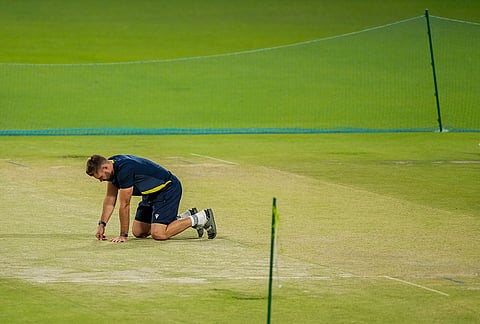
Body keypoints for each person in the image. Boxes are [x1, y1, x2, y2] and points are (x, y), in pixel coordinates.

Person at [85, 154, 216, 243]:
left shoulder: (124, 170)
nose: (101, 181)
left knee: (159, 234)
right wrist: (102, 224)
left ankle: (202, 217)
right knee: (138, 232)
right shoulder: (112, 166)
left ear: (105, 168)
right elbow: (110, 199)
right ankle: (185, 217)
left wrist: (123, 235)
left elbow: (124, 205)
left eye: (100, 177)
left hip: (167, 189)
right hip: (150, 194)